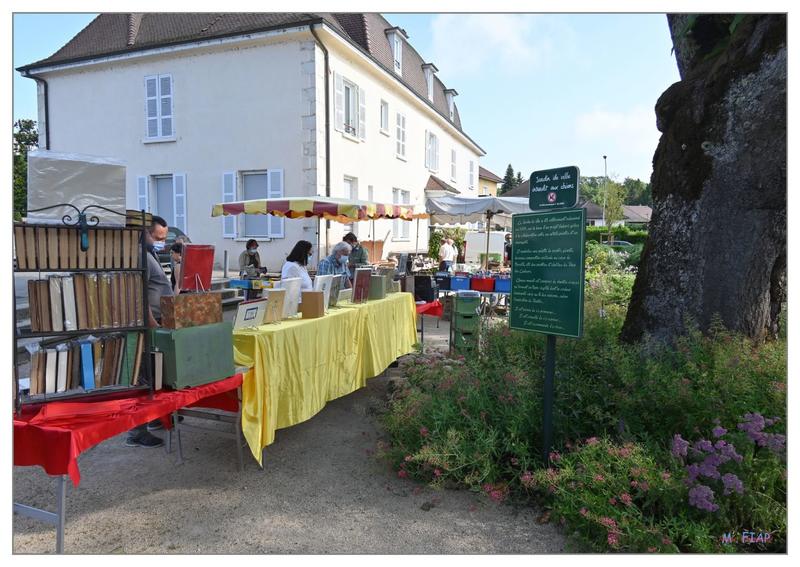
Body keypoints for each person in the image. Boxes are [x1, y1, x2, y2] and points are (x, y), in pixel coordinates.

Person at [126, 215, 174, 448]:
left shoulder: (150, 253)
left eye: (163, 238)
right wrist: (152, 322)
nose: (160, 242)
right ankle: (136, 432)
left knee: (156, 374)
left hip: (157, 321)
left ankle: (155, 417)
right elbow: (138, 294)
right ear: (144, 233)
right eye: (157, 237)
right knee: (144, 376)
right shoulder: (138, 255)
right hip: (148, 325)